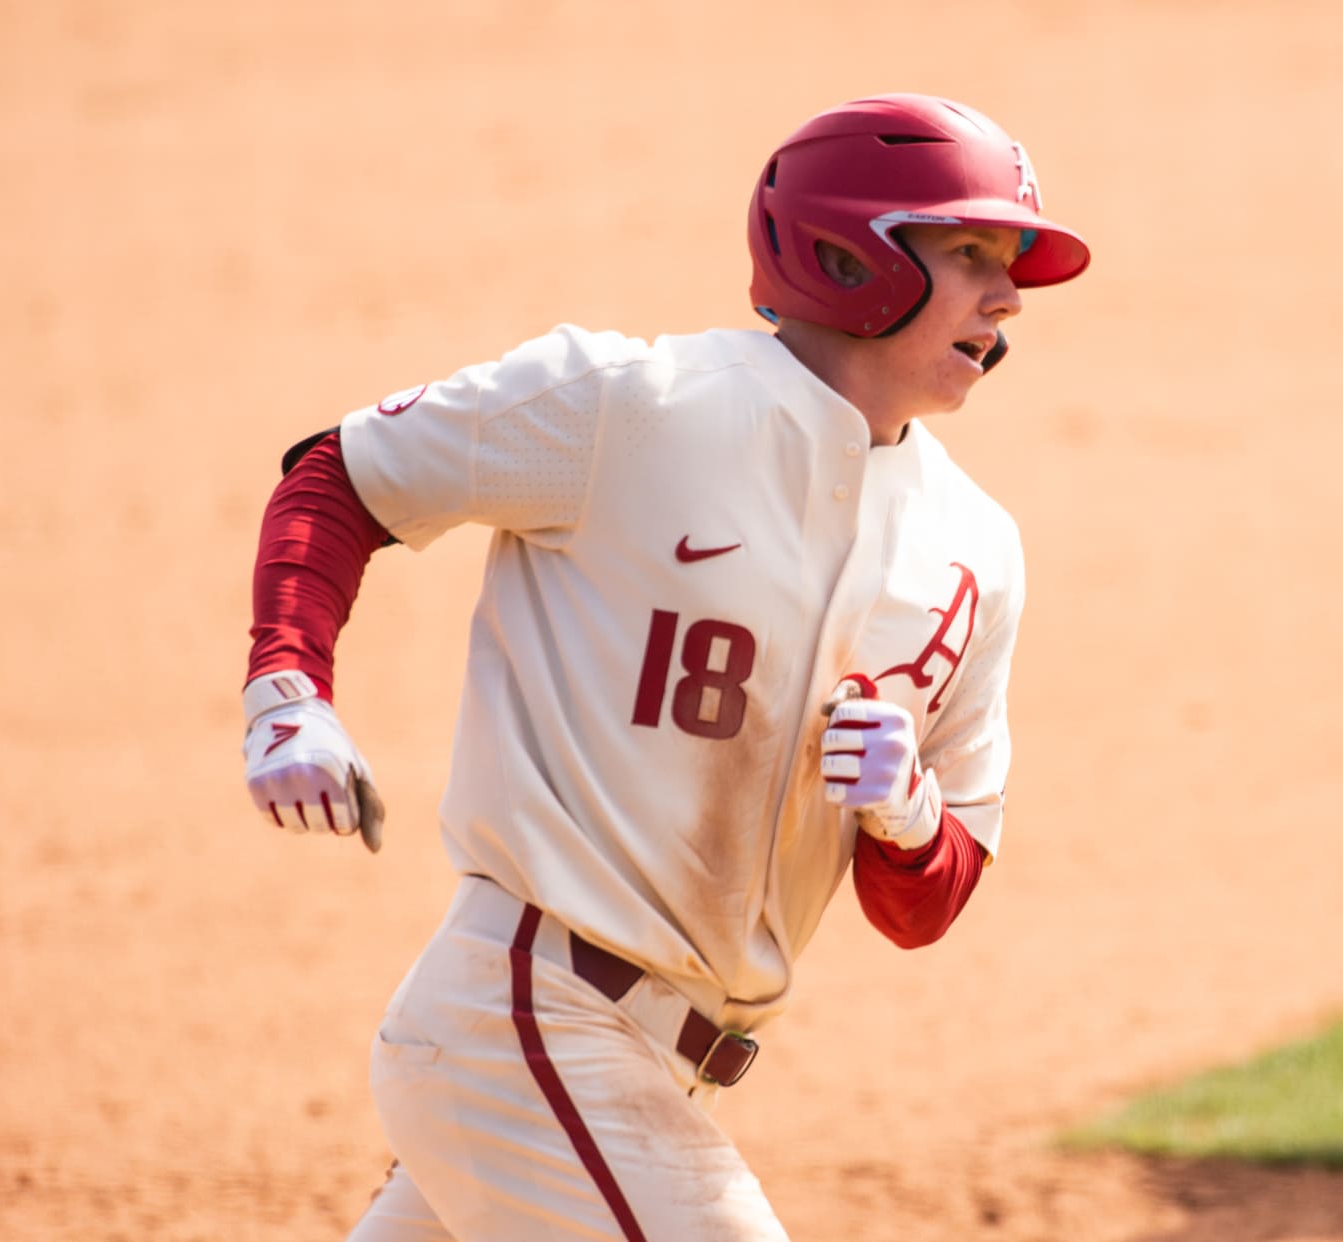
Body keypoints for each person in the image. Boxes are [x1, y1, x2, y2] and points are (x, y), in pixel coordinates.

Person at [237, 93, 1089, 1239]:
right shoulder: (629, 410)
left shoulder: (974, 551)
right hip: (522, 1028)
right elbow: (344, 476)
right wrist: (290, 694)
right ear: (850, 256)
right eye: (972, 252)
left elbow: (927, 904)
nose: (1009, 295)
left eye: (1014, 262)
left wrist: (904, 811)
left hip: (643, 1076)